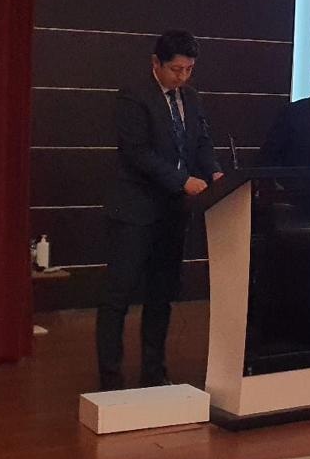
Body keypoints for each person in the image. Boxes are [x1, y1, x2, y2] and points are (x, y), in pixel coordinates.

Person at [96, 30, 224, 390]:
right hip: (135, 211)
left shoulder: (191, 98)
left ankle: (154, 372)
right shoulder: (134, 96)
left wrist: (214, 171)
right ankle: (110, 378)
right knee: (118, 296)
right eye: (176, 69)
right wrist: (182, 180)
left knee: (162, 295)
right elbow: (138, 153)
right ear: (156, 63)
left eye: (189, 70)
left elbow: (201, 142)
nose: (182, 77)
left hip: (172, 213)